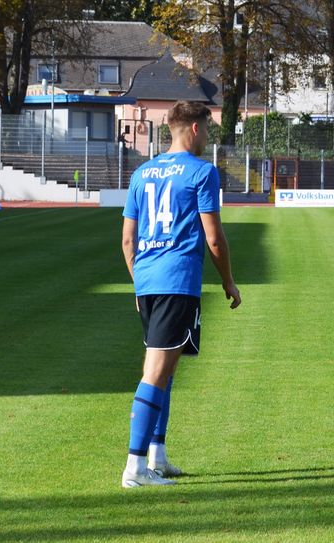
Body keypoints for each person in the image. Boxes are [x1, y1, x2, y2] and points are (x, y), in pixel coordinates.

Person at [120, 101, 241, 487]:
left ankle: (156, 455)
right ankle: (135, 469)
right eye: (207, 129)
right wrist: (228, 282)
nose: (208, 137)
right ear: (192, 128)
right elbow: (214, 239)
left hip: (149, 279)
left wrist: (139, 282)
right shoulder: (202, 173)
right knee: (156, 373)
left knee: (166, 371)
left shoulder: (143, 172)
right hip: (177, 280)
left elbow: (127, 239)